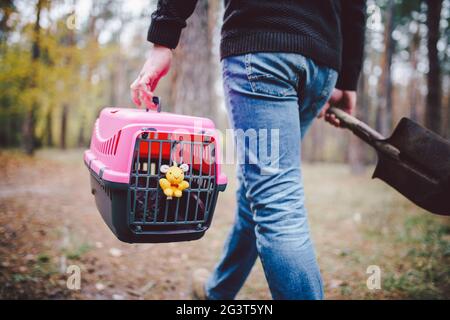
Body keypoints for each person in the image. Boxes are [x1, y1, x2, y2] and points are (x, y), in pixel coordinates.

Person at [131, 0, 366, 300]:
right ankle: (217, 292)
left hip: (263, 46)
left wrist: (163, 40)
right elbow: (356, 6)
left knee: (276, 199)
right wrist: (347, 79)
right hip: (321, 63)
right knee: (260, 188)